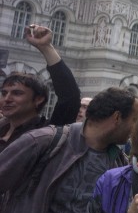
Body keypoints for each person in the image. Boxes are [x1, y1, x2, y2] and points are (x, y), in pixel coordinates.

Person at [0, 87, 138, 213]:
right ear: (117, 118)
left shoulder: (119, 164)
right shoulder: (43, 142)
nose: (135, 127)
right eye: (134, 119)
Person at [0, 24, 80, 152]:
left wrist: (46, 48)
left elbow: (70, 97)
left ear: (38, 99)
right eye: (4, 93)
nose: (7, 99)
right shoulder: (2, 128)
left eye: (17, 93)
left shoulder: (47, 133)